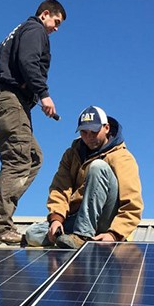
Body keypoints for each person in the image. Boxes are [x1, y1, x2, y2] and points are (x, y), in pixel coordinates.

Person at [0, 0, 66, 246]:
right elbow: (28, 61)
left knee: (34, 157)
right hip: (10, 100)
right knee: (18, 161)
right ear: (45, 14)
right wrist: (43, 94)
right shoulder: (35, 30)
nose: (56, 28)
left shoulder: (19, 31)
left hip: (0, 100)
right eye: (56, 22)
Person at [25, 105, 143, 249]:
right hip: (78, 217)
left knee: (97, 166)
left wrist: (115, 234)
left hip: (107, 219)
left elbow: (132, 204)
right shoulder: (71, 154)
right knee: (32, 234)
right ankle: (70, 236)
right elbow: (60, 188)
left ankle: (83, 236)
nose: (89, 137)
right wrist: (56, 219)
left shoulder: (122, 157)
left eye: (94, 132)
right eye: (84, 132)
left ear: (106, 128)